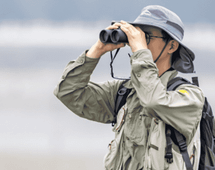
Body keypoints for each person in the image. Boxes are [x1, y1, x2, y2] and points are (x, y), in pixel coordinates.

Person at [54, 5, 204, 170]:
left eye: (146, 36)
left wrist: (140, 51)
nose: (136, 42)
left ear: (171, 46)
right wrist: (96, 51)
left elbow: (154, 100)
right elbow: (68, 92)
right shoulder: (124, 93)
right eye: (136, 35)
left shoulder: (190, 97)